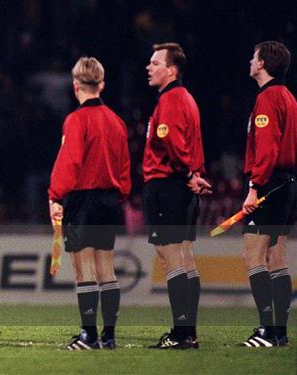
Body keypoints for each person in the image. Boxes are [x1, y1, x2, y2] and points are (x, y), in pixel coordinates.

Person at [48, 57, 131, 350]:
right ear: (102, 84)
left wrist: (55, 195)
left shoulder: (76, 120)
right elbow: (124, 166)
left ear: (75, 86)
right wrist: (119, 195)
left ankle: (88, 335)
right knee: (106, 269)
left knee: (84, 271)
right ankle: (108, 336)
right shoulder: (116, 121)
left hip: (83, 199)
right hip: (109, 199)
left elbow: (69, 161)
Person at [142, 43, 211, 349]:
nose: (149, 67)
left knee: (171, 260)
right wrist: (194, 175)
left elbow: (170, 141)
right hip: (183, 187)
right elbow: (190, 143)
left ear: (171, 70)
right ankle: (189, 331)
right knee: (184, 258)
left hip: (168, 185)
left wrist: (187, 174)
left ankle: (181, 333)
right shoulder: (187, 99)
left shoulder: (170, 100)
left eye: (155, 63)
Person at [240, 41, 296, 348]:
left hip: (270, 184)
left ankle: (265, 330)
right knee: (277, 258)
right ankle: (279, 332)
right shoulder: (288, 98)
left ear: (262, 64)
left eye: (253, 56)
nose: (250, 61)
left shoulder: (268, 98)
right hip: (287, 183)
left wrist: (254, 188)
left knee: (253, 255)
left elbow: (267, 149)